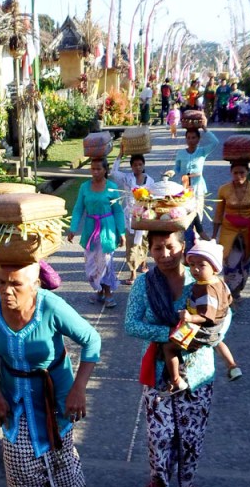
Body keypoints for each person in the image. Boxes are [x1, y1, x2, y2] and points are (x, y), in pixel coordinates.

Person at [0, 262, 101, 487]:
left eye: (16, 284)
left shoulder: (51, 306)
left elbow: (91, 340)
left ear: (35, 285)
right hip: (14, 396)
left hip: (55, 397)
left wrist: (79, 389)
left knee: (60, 457)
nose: (6, 291)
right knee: (17, 459)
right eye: (2, 282)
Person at [125, 229, 222, 487]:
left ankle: (187, 485)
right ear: (149, 250)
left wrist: (206, 336)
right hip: (158, 370)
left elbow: (223, 315)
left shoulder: (201, 278)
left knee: (191, 435)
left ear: (183, 247)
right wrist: (170, 334)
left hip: (197, 371)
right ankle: (158, 478)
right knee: (160, 434)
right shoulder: (143, 284)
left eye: (170, 247)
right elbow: (131, 324)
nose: (165, 255)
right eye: (157, 248)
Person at [161, 238, 241, 395]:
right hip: (216, 327)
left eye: (201, 265)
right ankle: (232, 366)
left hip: (201, 328)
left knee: (168, 348)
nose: (195, 269)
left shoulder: (205, 289)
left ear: (215, 268)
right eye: (192, 264)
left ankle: (176, 381)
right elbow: (229, 299)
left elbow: (206, 316)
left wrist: (190, 318)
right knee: (217, 341)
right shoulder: (219, 283)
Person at [67, 157, 126, 306]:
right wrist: (73, 228)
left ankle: (108, 293)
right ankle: (99, 290)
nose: (95, 172)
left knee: (105, 261)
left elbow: (118, 211)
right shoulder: (84, 187)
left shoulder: (112, 187)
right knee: (92, 263)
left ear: (105, 170)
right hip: (90, 229)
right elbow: (78, 208)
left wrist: (122, 232)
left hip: (107, 230)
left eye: (98, 169)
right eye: (93, 169)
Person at [212, 160, 250, 298]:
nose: (238, 176)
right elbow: (218, 214)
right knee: (229, 261)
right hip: (228, 229)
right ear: (231, 173)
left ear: (248, 172)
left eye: (242, 172)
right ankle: (230, 292)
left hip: (248, 229)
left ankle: (238, 290)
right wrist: (213, 236)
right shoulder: (224, 189)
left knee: (246, 260)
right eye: (235, 173)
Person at [110, 153, 156, 285]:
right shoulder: (127, 178)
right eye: (135, 165)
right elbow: (113, 172)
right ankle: (133, 272)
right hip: (130, 217)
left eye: (140, 164)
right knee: (131, 244)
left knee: (144, 242)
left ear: (144, 165)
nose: (138, 167)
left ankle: (143, 263)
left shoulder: (150, 181)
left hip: (145, 217)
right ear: (131, 167)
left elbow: (154, 198)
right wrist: (120, 156)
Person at [173, 124, 221, 240]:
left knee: (198, 212)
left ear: (198, 139)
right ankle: (186, 237)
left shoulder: (202, 151)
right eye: (188, 138)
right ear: (186, 139)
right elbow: (176, 169)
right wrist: (171, 173)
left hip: (198, 187)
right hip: (184, 187)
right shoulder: (181, 153)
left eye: (193, 137)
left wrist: (204, 128)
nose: (191, 140)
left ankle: (197, 237)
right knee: (184, 211)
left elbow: (215, 142)